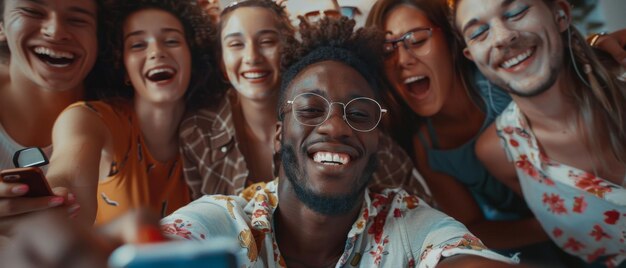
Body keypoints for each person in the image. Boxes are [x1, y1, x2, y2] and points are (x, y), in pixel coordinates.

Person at [161, 17, 515, 267]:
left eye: (359, 114)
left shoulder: (408, 225)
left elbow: (456, 255)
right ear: (279, 134)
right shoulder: (224, 221)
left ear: (378, 140)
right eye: (311, 109)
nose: (335, 126)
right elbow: (167, 245)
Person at [180, 0, 430, 202]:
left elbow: (421, 208)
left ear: (288, 50)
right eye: (236, 44)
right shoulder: (197, 131)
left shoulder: (346, 123)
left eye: (267, 41)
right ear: (222, 61)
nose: (252, 56)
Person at [365, 0, 548, 253]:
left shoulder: (502, 83)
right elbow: (474, 228)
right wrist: (555, 227)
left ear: (452, 40)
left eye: (417, 40)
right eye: (387, 51)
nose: (402, 60)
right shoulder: (428, 148)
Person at [451, 0, 626, 265]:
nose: (502, 37)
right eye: (478, 33)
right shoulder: (500, 152)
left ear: (560, 15)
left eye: (517, 12)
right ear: (472, 56)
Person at [44, 0, 219, 225]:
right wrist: (54, 199)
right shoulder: (88, 119)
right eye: (137, 45)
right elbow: (67, 176)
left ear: (192, 59)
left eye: (172, 41)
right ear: (122, 66)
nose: (157, 52)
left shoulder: (211, 129)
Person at [0, 0, 107, 235]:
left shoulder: (111, 112)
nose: (56, 31)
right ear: (2, 25)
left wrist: (56, 199)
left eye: (77, 19)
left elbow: (70, 175)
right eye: (31, 11)